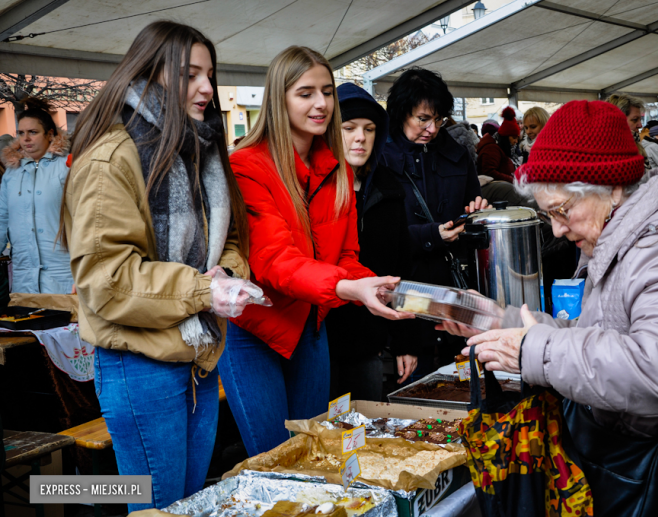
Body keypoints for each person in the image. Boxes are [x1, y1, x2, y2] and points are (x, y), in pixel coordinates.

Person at [441, 99, 658, 516]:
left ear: (613, 186)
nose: (559, 230)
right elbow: (608, 337)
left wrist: (534, 351)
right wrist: (501, 321)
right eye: (550, 215)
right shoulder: (635, 237)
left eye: (562, 211)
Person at [60, 21, 252, 510]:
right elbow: (107, 280)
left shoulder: (197, 148)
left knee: (185, 505)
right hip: (138, 363)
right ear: (152, 74)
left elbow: (228, 240)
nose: (207, 88)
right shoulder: (111, 157)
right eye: (190, 75)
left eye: (210, 74)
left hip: (199, 359)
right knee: (158, 507)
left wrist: (226, 276)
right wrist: (204, 291)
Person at [221, 46, 411, 456]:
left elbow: (344, 257)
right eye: (305, 93)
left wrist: (379, 288)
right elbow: (273, 262)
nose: (322, 103)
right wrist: (350, 290)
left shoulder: (337, 166)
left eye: (326, 91)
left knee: (312, 453)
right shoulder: (247, 165)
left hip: (310, 326)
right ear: (279, 98)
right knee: (275, 460)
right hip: (256, 330)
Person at [379, 67, 487, 379]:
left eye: (438, 119)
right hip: (406, 296)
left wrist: (476, 213)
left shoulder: (457, 154)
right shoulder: (380, 159)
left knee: (463, 389)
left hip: (455, 292)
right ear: (401, 113)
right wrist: (433, 235)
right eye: (422, 119)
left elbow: (471, 210)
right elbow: (377, 238)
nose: (432, 128)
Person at [325, 82, 417, 401]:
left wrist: (405, 341)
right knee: (321, 439)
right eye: (348, 128)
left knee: (361, 436)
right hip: (318, 340)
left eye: (369, 128)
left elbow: (401, 267)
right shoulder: (310, 189)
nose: (360, 137)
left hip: (368, 340)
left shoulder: (389, 189)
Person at [1, 98, 73, 294]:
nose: (25, 139)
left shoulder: (67, 168)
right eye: (21, 133)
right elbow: (2, 218)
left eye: (33, 132)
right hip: (24, 273)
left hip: (63, 272)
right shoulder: (11, 173)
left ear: (50, 135)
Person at [476, 106, 518, 183]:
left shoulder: (498, 148)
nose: (516, 141)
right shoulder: (491, 149)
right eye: (514, 138)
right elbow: (489, 172)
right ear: (505, 138)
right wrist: (513, 180)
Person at [606, 93, 647, 165]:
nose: (640, 125)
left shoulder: (637, 145)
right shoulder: (609, 151)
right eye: (635, 120)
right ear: (617, 120)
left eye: (640, 120)